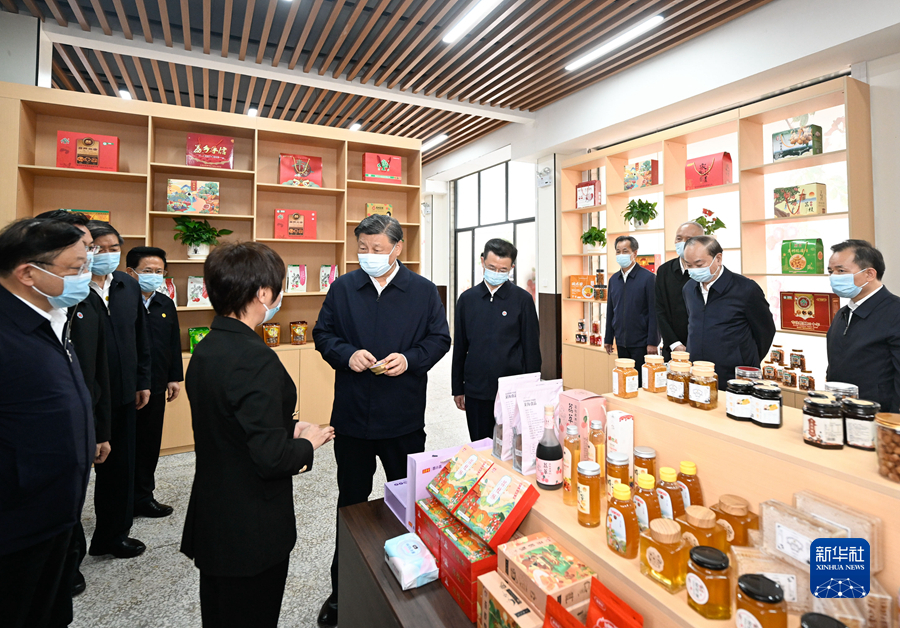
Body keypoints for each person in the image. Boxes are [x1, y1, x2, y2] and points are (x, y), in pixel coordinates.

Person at [181, 241, 334, 628]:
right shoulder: (255, 358)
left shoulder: (208, 346)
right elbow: (271, 459)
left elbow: (230, 421)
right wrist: (307, 442)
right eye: (279, 288)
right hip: (249, 526)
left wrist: (285, 426)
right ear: (264, 293)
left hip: (215, 515)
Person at [313, 214, 451, 625]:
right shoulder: (343, 287)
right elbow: (323, 334)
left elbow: (440, 339)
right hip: (353, 418)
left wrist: (410, 359)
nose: (368, 255)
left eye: (377, 249)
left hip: (402, 419)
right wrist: (346, 354)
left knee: (409, 504)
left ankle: (413, 578)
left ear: (397, 248)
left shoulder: (422, 291)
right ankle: (342, 592)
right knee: (350, 504)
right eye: (363, 248)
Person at [0, 218, 95, 628]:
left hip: (58, 509)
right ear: (27, 273)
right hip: (18, 520)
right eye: (75, 268)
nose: (84, 277)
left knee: (52, 611)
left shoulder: (53, 315)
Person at [35, 210, 112, 598]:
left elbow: (94, 370)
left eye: (91, 249)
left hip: (79, 427)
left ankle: (69, 561)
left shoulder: (78, 303)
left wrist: (97, 428)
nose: (89, 258)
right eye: (82, 250)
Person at [86, 221, 152, 559]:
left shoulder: (127, 285)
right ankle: (67, 557)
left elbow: (141, 337)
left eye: (114, 249)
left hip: (124, 392)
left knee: (120, 468)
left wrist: (142, 380)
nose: (108, 255)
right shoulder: (73, 288)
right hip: (87, 396)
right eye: (100, 248)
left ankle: (112, 535)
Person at [452, 238, 541, 441]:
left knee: (510, 446)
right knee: (480, 443)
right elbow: (460, 347)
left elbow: (531, 349)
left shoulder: (523, 300)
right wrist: (458, 387)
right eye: (492, 267)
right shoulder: (467, 300)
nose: (496, 273)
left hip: (511, 390)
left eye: (503, 270)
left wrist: (531, 390)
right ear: (482, 261)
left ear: (511, 268)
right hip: (476, 389)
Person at [125, 246, 183, 519]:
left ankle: (144, 497)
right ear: (131, 272)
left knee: (149, 445)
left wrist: (174, 377)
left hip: (157, 384)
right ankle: (123, 501)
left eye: (159, 271)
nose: (154, 276)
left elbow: (173, 343)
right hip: (128, 387)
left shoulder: (164, 303)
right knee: (126, 447)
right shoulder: (120, 302)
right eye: (147, 271)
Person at [682, 236, 775, 385]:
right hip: (698, 374)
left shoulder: (746, 289)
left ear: (718, 259)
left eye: (699, 264)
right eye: (688, 265)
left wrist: (746, 359)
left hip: (735, 376)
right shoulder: (689, 288)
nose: (694, 270)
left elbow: (765, 331)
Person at [826, 240, 900, 412]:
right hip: (841, 410)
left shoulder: (895, 312)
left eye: (841, 271)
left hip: (878, 415)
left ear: (869, 274)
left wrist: (893, 420)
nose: (833, 277)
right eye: (830, 271)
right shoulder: (843, 312)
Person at [604, 235, 660, 384]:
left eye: (625, 251)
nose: (621, 255)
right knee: (624, 381)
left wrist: (653, 342)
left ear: (634, 253)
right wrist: (608, 338)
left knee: (642, 383)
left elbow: (654, 313)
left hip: (642, 344)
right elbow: (611, 311)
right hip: (621, 342)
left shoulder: (648, 278)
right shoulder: (613, 280)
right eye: (618, 251)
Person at [655, 221, 705, 361]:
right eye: (679, 238)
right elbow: (660, 310)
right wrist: (674, 344)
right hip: (672, 349)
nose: (683, 243)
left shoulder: (708, 271)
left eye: (689, 239)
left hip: (703, 350)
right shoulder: (664, 271)